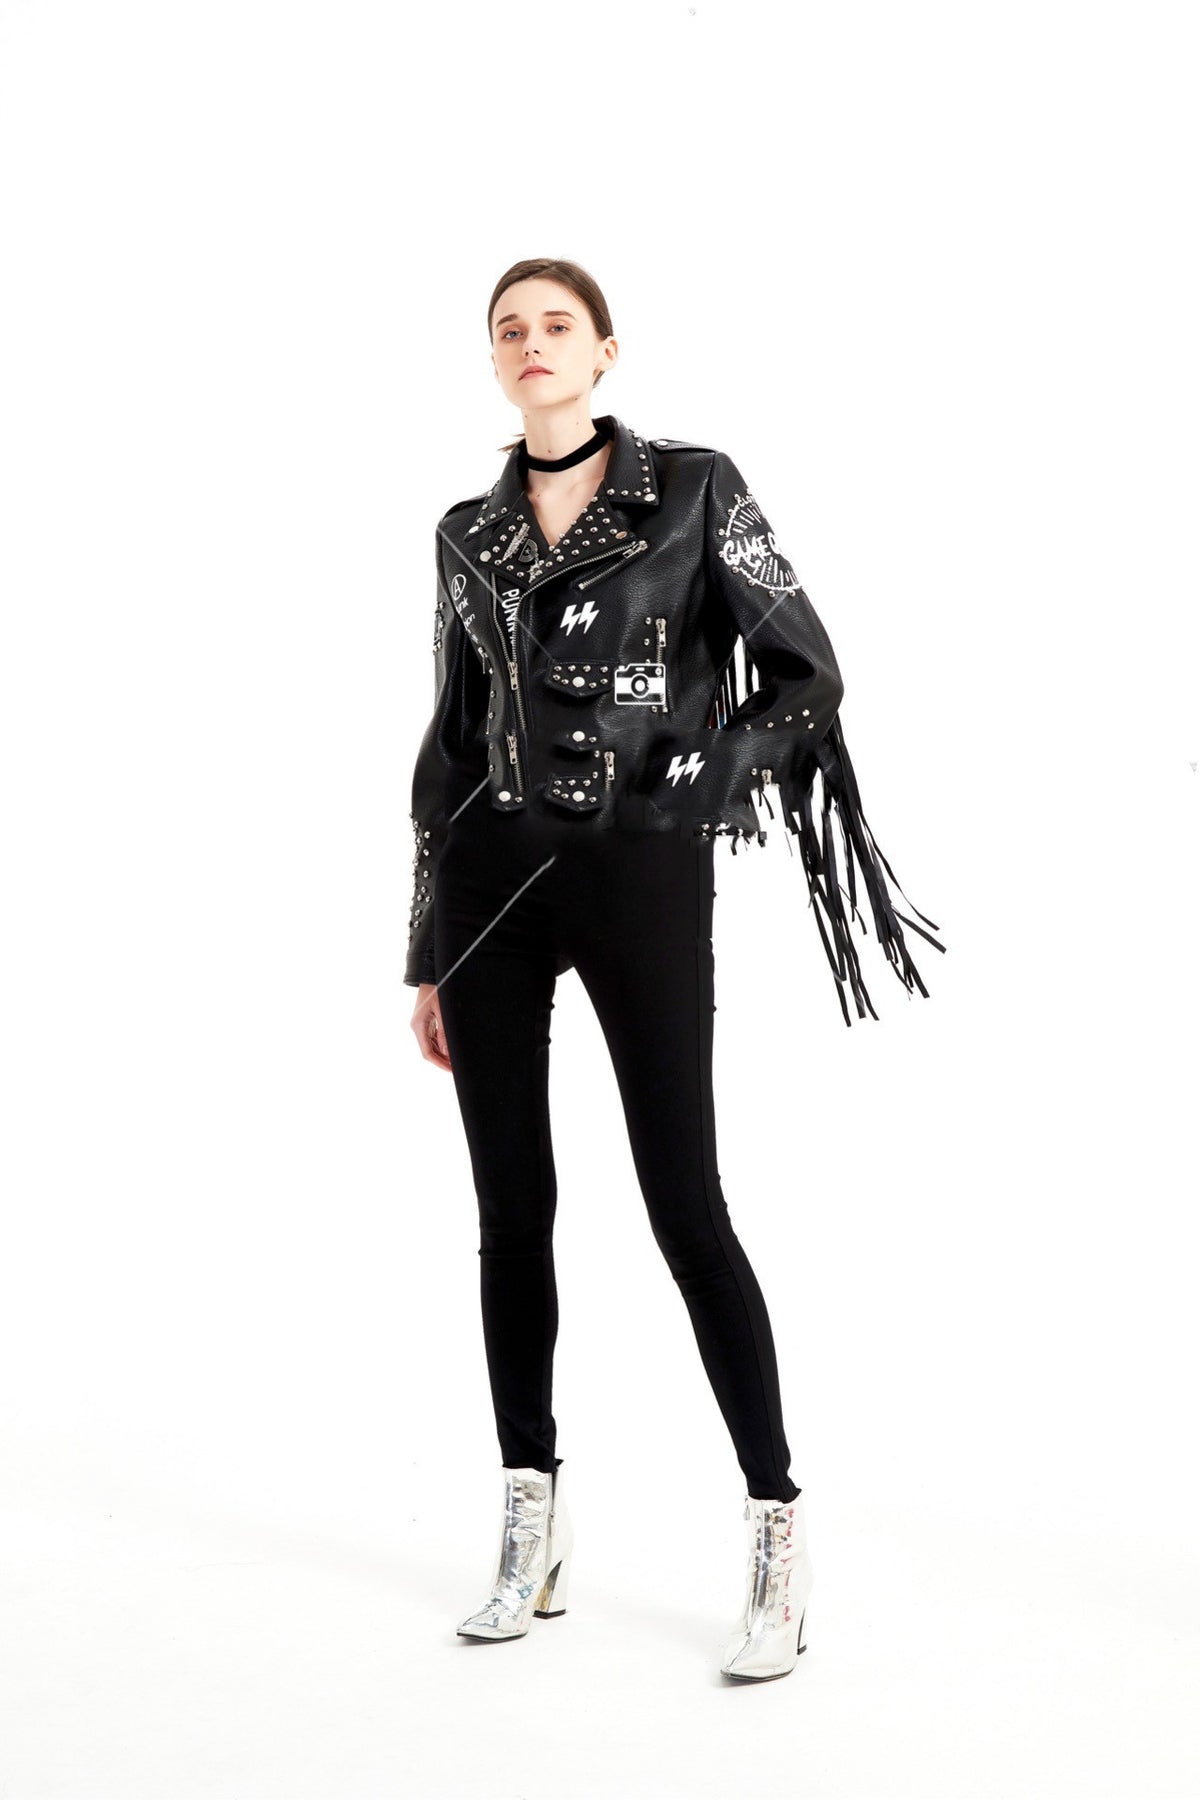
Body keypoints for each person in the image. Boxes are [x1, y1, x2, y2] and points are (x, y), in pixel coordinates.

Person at [404, 257, 944, 1682]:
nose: (533, 345)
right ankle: (531, 1521)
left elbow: (807, 675)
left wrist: (712, 773)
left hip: (640, 875)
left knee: (685, 1206)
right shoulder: (465, 532)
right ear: (494, 362)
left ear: (605, 352)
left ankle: (775, 1528)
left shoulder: (693, 490)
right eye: (510, 330)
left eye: (557, 326)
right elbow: (450, 740)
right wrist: (425, 950)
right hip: (490, 887)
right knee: (510, 1213)